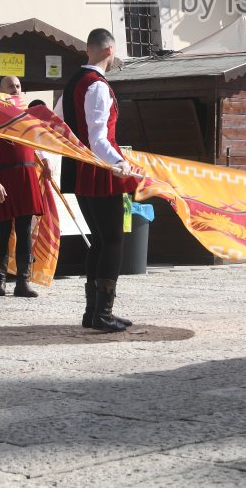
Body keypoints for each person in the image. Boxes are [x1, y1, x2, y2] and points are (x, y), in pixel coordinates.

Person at [62, 28, 141, 333]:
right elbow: (98, 139)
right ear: (110, 51)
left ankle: (93, 312)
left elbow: (60, 123)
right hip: (99, 169)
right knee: (112, 241)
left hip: (83, 168)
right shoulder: (97, 86)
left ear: (89, 50)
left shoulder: (73, 83)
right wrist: (120, 163)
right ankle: (102, 314)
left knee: (100, 240)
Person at [0, 76, 51, 297]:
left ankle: (22, 281)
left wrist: (46, 162)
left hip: (26, 176)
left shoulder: (26, 116)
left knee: (24, 230)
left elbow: (37, 142)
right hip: (3, 176)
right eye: (10, 86)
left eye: (18, 86)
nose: (15, 89)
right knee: (2, 232)